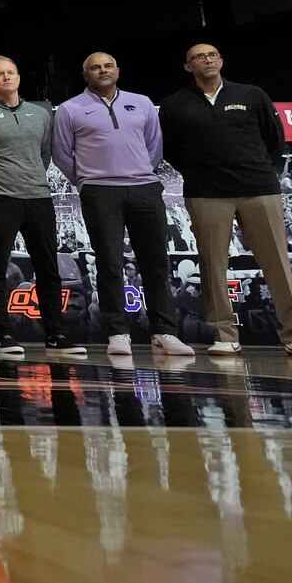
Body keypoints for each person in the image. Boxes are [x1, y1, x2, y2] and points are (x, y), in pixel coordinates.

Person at [159, 44, 292, 358]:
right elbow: (171, 150)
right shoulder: (174, 104)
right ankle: (224, 334)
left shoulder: (251, 94)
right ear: (187, 66)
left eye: (212, 55)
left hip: (258, 189)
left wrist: (261, 170)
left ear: (221, 60)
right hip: (206, 194)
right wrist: (201, 172)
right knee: (212, 265)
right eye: (198, 57)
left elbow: (274, 139)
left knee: (277, 261)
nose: (207, 60)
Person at [53, 52, 193, 357]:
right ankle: (117, 332)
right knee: (109, 263)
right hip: (100, 192)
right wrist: (88, 180)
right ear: (85, 74)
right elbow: (62, 154)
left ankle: (164, 332)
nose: (102, 70)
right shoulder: (69, 109)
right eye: (95, 67)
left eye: (108, 66)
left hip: (144, 188)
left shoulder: (142, 102)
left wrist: (140, 171)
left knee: (155, 262)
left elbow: (154, 146)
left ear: (117, 70)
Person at [0, 56, 86, 357]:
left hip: (38, 196)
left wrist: (30, 179)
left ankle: (55, 332)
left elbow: (44, 155)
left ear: (18, 77)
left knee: (47, 266)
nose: (6, 78)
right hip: (0, 198)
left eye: (11, 73)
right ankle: (2, 332)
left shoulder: (39, 114)